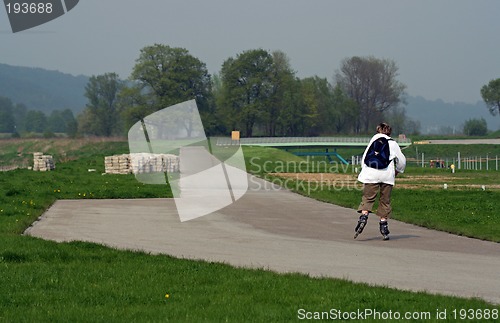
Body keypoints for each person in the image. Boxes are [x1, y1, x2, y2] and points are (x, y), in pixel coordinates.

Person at [354, 122, 406, 240]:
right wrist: (397, 171)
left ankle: (363, 217)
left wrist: (365, 172)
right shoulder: (393, 143)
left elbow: (365, 158)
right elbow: (402, 161)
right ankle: (384, 226)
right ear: (389, 131)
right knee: (384, 201)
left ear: (378, 130)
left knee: (368, 198)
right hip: (387, 176)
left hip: (371, 174)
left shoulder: (373, 140)